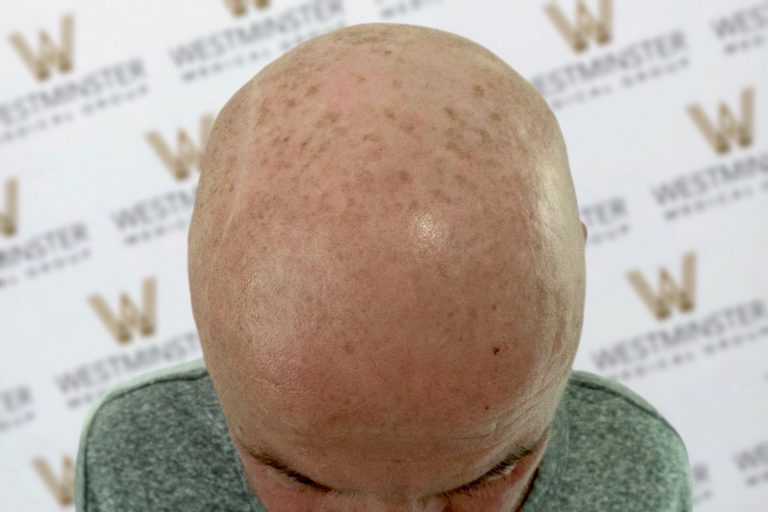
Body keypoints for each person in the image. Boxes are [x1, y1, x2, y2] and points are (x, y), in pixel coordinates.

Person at [74, 22, 693, 511]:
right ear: (202, 292)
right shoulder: (135, 458)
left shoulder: (637, 472)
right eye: (302, 480)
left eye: (483, 479)